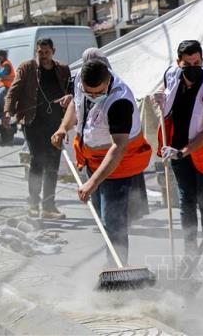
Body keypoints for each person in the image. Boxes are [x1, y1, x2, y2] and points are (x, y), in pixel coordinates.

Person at [51, 59, 152, 265]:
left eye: (98, 92)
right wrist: (63, 127)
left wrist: (92, 183)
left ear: (108, 81)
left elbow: (119, 147)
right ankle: (115, 259)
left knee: (113, 220)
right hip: (93, 161)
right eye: (89, 92)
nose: (93, 96)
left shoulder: (119, 101)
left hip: (120, 164)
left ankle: (117, 267)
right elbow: (75, 103)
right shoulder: (80, 80)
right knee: (102, 215)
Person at [153, 40, 203, 257]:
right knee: (186, 201)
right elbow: (164, 86)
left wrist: (183, 152)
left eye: (197, 62)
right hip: (177, 147)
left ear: (202, 60)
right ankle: (189, 253)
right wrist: (160, 94)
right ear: (179, 63)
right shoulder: (171, 74)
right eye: (187, 64)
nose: (193, 67)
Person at [4, 38, 72, 219]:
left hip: (56, 124)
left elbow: (71, 92)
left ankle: (49, 206)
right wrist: (8, 112)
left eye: (46, 52)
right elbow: (13, 91)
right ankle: (33, 202)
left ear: (53, 51)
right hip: (32, 122)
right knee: (37, 160)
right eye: (40, 52)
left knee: (53, 164)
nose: (43, 56)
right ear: (36, 52)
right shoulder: (27, 68)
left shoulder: (63, 70)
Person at [0, 50, 15, 115]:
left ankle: (4, 111)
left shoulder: (7, 64)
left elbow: (2, 74)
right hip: (1, 85)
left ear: (3, 56)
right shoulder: (2, 64)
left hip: (8, 86)